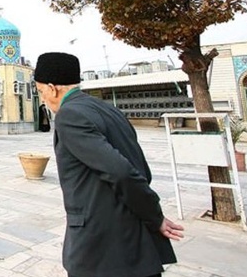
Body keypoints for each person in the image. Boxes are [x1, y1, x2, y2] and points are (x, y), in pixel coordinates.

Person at [34, 52, 184, 277]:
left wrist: (155, 217)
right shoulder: (108, 109)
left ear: (52, 88)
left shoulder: (69, 115)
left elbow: (121, 172)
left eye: (40, 91)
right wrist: (152, 216)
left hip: (104, 251)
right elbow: (141, 169)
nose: (42, 98)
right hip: (132, 245)